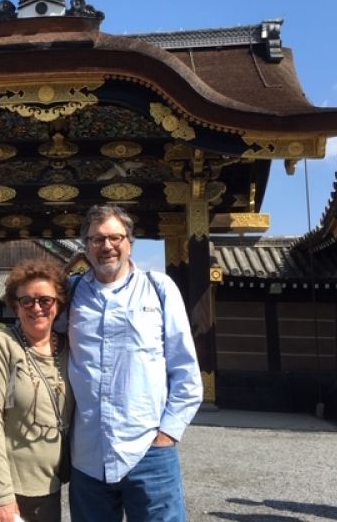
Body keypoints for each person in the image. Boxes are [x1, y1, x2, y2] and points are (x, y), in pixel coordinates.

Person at [62, 204, 203, 522]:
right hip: (88, 454)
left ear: (130, 242)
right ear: (85, 246)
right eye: (97, 239)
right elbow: (37, 332)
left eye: (115, 237)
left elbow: (185, 368)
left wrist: (168, 434)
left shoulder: (159, 288)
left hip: (148, 450)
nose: (107, 246)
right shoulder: (70, 294)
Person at [0, 259, 72, 522]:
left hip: (45, 483)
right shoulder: (1, 343)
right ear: (16, 307)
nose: (36, 307)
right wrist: (3, 493)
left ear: (59, 304)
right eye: (26, 301)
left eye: (45, 300)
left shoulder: (71, 349)